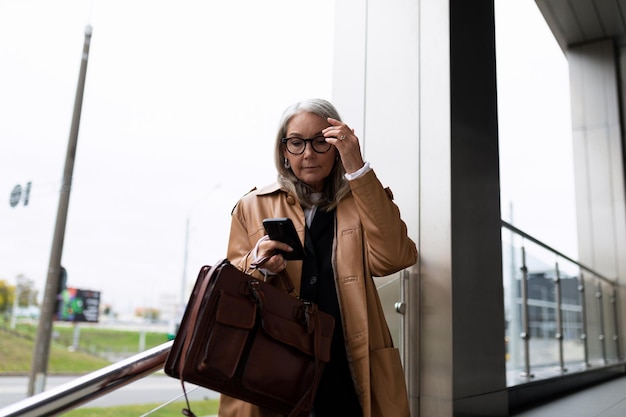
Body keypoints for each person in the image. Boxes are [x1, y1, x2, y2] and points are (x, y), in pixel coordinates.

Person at [220, 98, 418, 417]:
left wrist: (357, 167)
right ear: (284, 151)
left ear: (337, 146)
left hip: (346, 361)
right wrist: (257, 264)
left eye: (319, 142)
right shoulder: (252, 206)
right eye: (296, 143)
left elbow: (394, 258)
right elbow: (231, 285)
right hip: (274, 362)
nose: (308, 153)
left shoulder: (362, 199)